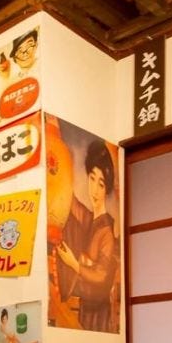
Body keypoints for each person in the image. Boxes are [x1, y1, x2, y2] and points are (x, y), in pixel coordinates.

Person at [54, 137, 119, 332]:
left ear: (107, 188)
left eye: (101, 184)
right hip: (84, 306)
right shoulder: (89, 219)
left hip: (99, 313)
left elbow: (101, 275)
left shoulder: (106, 231)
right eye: (92, 178)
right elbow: (71, 201)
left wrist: (73, 263)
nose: (95, 189)